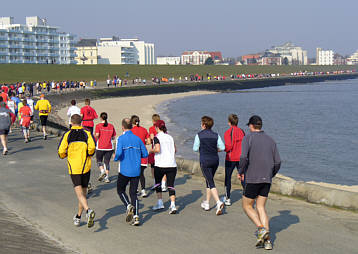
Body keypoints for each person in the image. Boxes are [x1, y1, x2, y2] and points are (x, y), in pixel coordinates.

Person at [238, 115, 281, 250]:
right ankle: (268, 241)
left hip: (252, 178)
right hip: (266, 178)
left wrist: (241, 171)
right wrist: (271, 174)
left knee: (247, 206)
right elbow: (278, 162)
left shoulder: (248, 138)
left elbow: (244, 157)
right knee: (261, 207)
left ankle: (261, 228)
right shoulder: (271, 140)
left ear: (251, 126)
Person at [58, 114, 96, 228]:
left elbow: (61, 151)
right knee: (83, 194)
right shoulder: (87, 133)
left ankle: (88, 211)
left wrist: (64, 155)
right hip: (86, 166)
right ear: (81, 122)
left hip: (74, 167)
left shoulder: (67, 134)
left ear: (71, 122)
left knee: (79, 194)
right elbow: (92, 148)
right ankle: (78, 216)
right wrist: (88, 154)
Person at [114, 118, 148, 226]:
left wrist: (116, 158)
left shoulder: (121, 138)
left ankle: (128, 205)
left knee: (120, 190)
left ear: (122, 127)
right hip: (136, 170)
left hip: (124, 170)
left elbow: (119, 153)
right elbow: (145, 154)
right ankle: (136, 216)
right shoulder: (138, 139)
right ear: (132, 127)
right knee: (133, 193)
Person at [193, 116, 225, 215]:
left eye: (201, 123)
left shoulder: (199, 135)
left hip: (205, 160)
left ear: (204, 125)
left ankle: (218, 202)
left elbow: (195, 148)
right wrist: (215, 150)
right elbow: (222, 147)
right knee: (209, 179)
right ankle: (206, 203)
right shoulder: (216, 135)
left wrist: (203, 150)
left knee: (210, 182)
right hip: (215, 160)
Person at [150, 120, 178, 214]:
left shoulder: (156, 137)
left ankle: (160, 203)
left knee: (158, 184)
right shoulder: (170, 137)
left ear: (157, 128)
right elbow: (175, 150)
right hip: (172, 165)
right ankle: (173, 205)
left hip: (160, 164)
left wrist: (151, 150)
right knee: (171, 185)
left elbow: (157, 149)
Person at [223, 114, 245, 206]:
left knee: (228, 177)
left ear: (229, 122)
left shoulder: (228, 132)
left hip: (231, 158)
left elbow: (229, 146)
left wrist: (223, 149)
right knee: (243, 177)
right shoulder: (242, 131)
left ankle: (227, 198)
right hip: (241, 158)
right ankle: (248, 196)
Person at [130, 115, 151, 197]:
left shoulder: (131, 131)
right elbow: (149, 142)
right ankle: (143, 190)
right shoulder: (144, 130)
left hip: (134, 155)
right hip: (143, 155)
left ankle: (135, 189)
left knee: (134, 173)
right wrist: (143, 143)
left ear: (132, 122)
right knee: (141, 173)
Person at [95, 112, 116, 183]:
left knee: (99, 160)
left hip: (100, 146)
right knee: (107, 162)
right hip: (109, 147)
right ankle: (106, 178)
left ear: (100, 118)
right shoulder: (111, 126)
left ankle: (102, 171)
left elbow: (97, 135)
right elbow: (113, 137)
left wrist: (95, 136)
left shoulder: (98, 126)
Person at [148, 114, 167, 191]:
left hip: (155, 149)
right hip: (163, 149)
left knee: (153, 168)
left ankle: (156, 183)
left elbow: (152, 138)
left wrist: (149, 139)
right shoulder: (163, 128)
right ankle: (163, 184)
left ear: (153, 120)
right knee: (164, 167)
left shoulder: (152, 128)